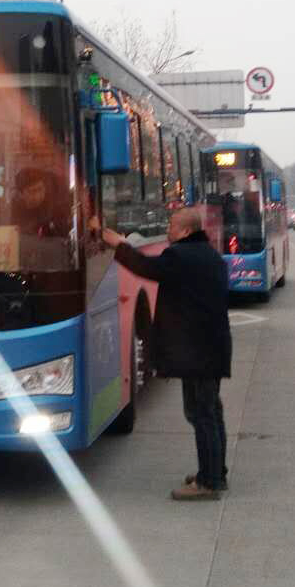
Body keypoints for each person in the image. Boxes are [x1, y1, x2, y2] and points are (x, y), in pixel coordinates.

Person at [91, 207, 232, 501]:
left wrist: (119, 244)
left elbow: (146, 268)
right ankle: (215, 472)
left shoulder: (181, 256)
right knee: (211, 412)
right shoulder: (209, 255)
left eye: (172, 225)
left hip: (198, 353)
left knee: (201, 414)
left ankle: (209, 482)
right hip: (211, 349)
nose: (168, 229)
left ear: (186, 231)